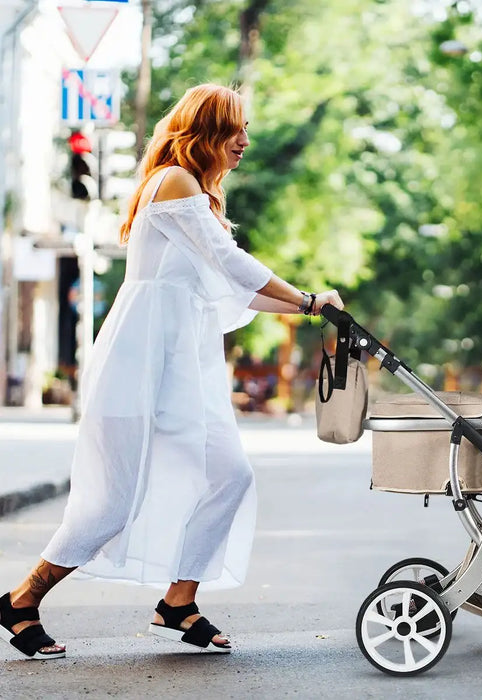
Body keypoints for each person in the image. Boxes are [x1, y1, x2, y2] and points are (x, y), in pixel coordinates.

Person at [0, 84, 344, 659]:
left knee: (229, 475)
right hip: (142, 360)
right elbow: (231, 263)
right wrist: (307, 296)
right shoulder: (174, 183)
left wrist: (312, 309)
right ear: (204, 132)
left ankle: (178, 601)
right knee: (112, 499)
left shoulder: (199, 197)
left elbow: (228, 284)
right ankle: (22, 600)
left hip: (185, 364)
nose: (245, 142)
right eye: (234, 130)